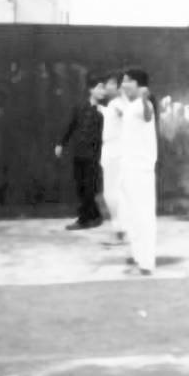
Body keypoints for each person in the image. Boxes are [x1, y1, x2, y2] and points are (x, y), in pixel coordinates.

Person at [54, 73, 107, 230]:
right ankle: (94, 216)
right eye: (99, 88)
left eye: (104, 88)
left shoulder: (105, 110)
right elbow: (70, 125)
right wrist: (61, 143)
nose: (102, 91)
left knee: (90, 187)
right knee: (81, 186)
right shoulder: (80, 107)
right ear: (91, 89)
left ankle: (84, 219)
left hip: (95, 154)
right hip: (79, 152)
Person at [119, 67, 158, 276]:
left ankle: (146, 263)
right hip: (128, 168)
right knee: (132, 216)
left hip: (140, 170)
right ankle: (138, 258)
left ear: (139, 85)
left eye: (128, 81)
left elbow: (147, 115)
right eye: (123, 81)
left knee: (143, 216)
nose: (124, 85)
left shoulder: (144, 104)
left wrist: (144, 99)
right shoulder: (130, 106)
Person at [100, 71, 126, 244]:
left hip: (116, 150)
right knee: (112, 192)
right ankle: (119, 229)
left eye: (109, 83)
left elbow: (126, 115)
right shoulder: (112, 105)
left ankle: (121, 229)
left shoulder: (119, 103)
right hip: (111, 149)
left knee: (114, 192)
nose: (106, 86)